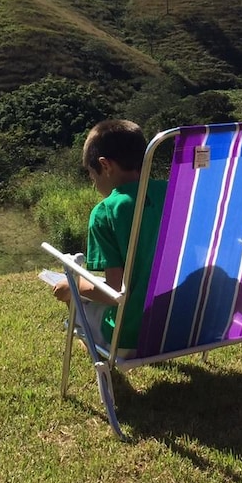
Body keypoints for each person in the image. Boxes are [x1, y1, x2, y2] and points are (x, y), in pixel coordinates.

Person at [50, 118, 167, 351]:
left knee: (74, 301)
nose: (93, 183)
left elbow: (114, 292)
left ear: (105, 166)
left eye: (92, 175)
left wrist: (71, 287)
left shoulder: (105, 213)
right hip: (179, 325)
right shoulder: (174, 192)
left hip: (131, 337)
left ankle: (100, 352)